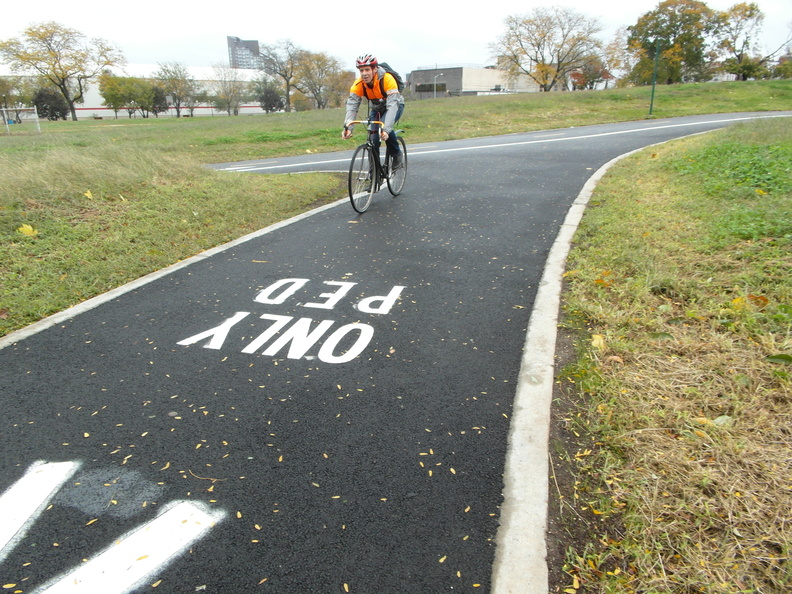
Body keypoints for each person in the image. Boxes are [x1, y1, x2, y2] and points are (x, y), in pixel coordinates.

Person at [342, 54, 405, 169]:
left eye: (367, 69)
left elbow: (392, 107)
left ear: (375, 69)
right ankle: (373, 176)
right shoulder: (358, 84)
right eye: (361, 70)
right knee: (373, 139)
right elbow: (352, 105)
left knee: (384, 127)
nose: (364, 73)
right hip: (377, 108)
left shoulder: (387, 79)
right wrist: (348, 127)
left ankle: (396, 154)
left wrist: (386, 129)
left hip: (395, 105)